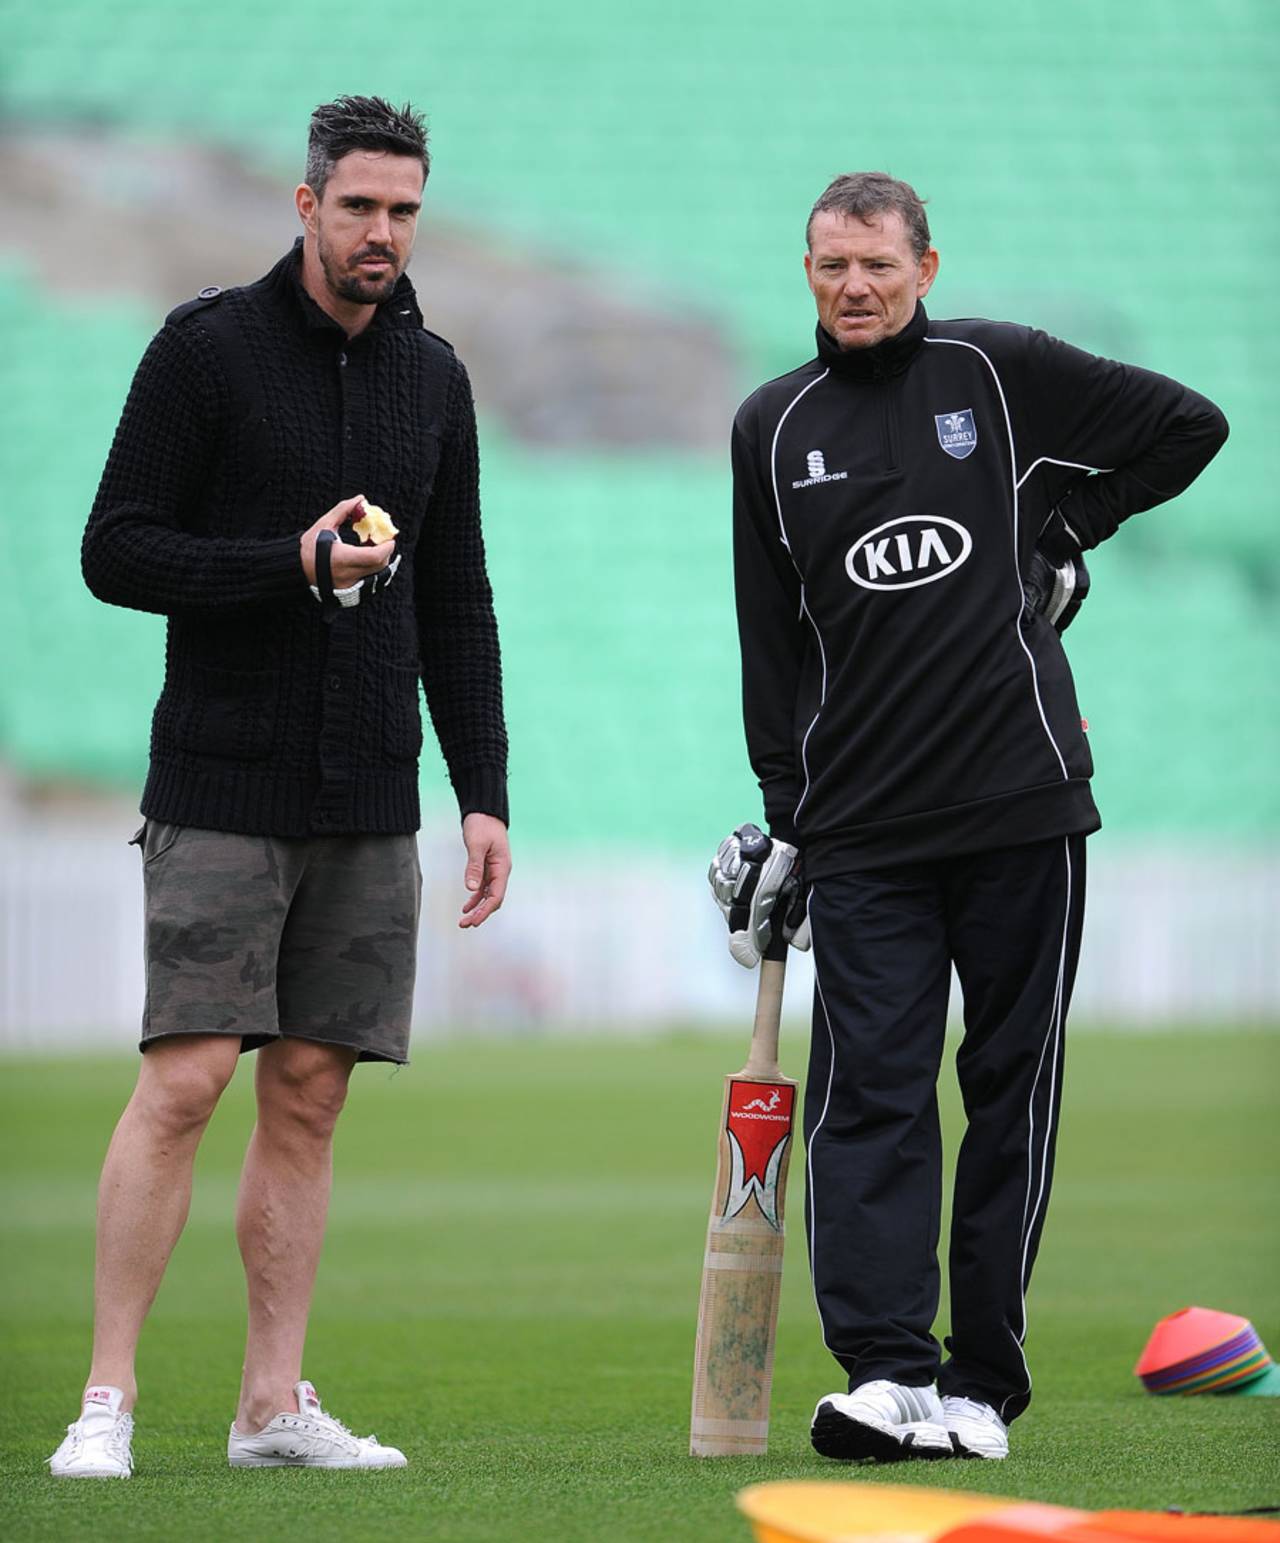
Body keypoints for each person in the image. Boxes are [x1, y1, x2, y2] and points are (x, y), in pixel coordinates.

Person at [710, 172, 1227, 1464]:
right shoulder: (770, 429)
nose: (855, 287)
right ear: (809, 273)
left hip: (1022, 809)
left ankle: (982, 1389)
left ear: (926, 268)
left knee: (1009, 1093)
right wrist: (789, 821)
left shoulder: (999, 376)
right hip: (868, 832)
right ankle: (887, 1371)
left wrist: (1060, 524)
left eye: (878, 265)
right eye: (831, 265)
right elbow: (768, 649)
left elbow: (1190, 427)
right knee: (868, 1095)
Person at [49, 96, 510, 1478]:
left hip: (371, 792)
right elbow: (115, 550)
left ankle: (268, 1408)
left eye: (405, 209)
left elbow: (460, 599)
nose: (384, 231)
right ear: (305, 204)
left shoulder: (437, 381)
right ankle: (108, 1399)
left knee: (310, 1092)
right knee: (187, 1078)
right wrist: (286, 564)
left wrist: (481, 791)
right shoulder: (206, 352)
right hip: (223, 781)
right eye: (360, 204)